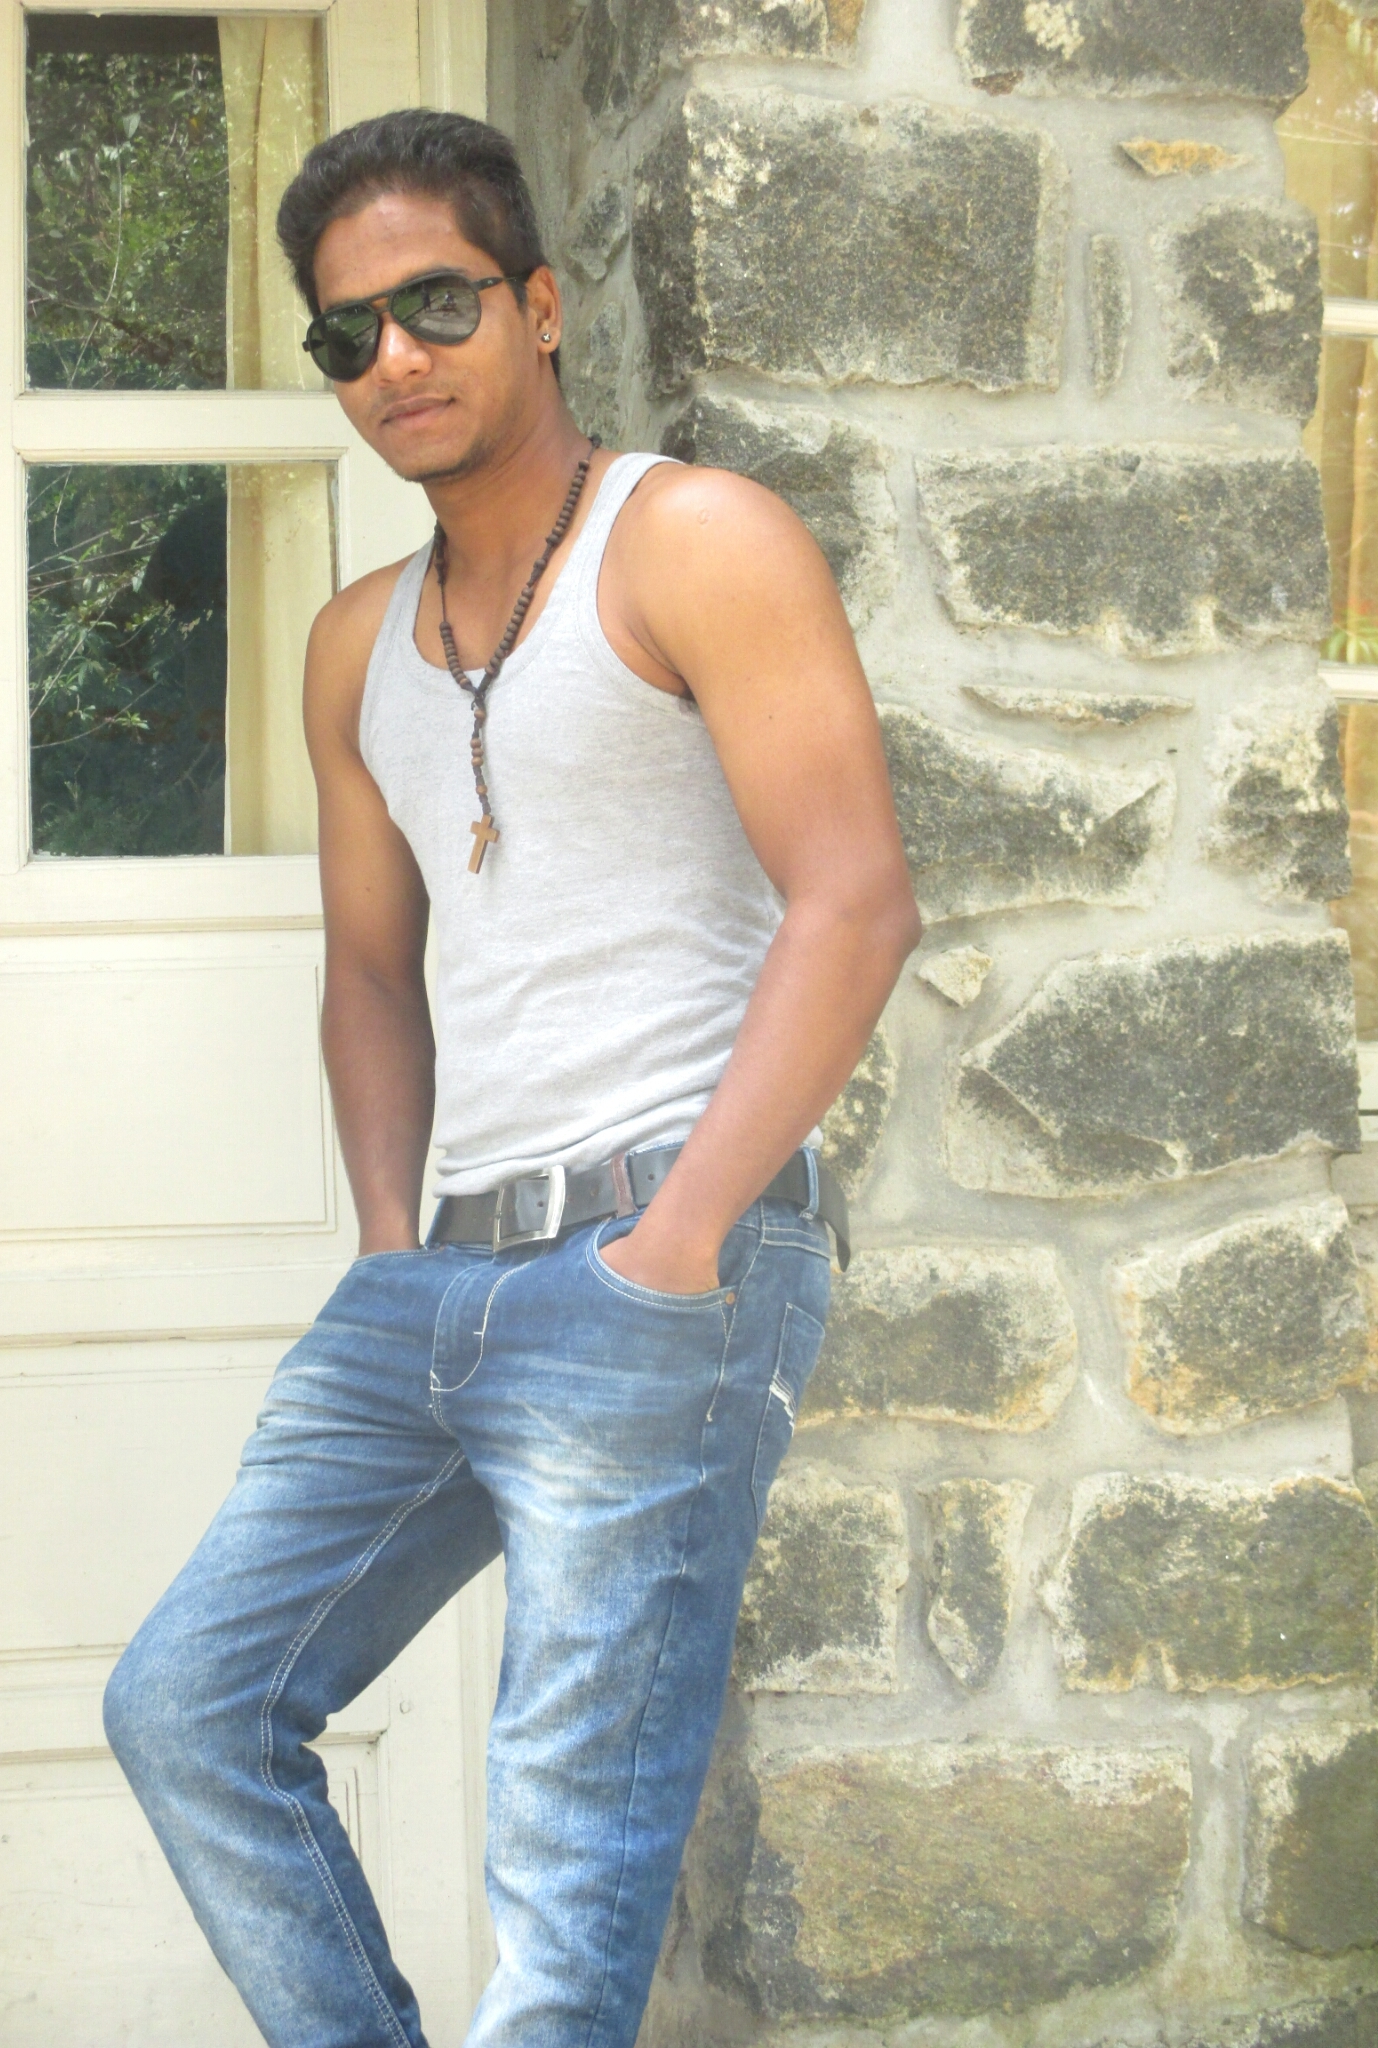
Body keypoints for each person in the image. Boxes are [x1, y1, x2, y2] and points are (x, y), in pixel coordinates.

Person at [103, 107, 919, 2048]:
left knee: (565, 1862)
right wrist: (391, 1248)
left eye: (437, 305)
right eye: (348, 333)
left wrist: (682, 1241)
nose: (394, 357)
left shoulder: (693, 541)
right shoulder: (353, 645)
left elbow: (857, 902)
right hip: (440, 1278)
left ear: (540, 305)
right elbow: (370, 976)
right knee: (191, 1706)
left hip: (659, 1257)